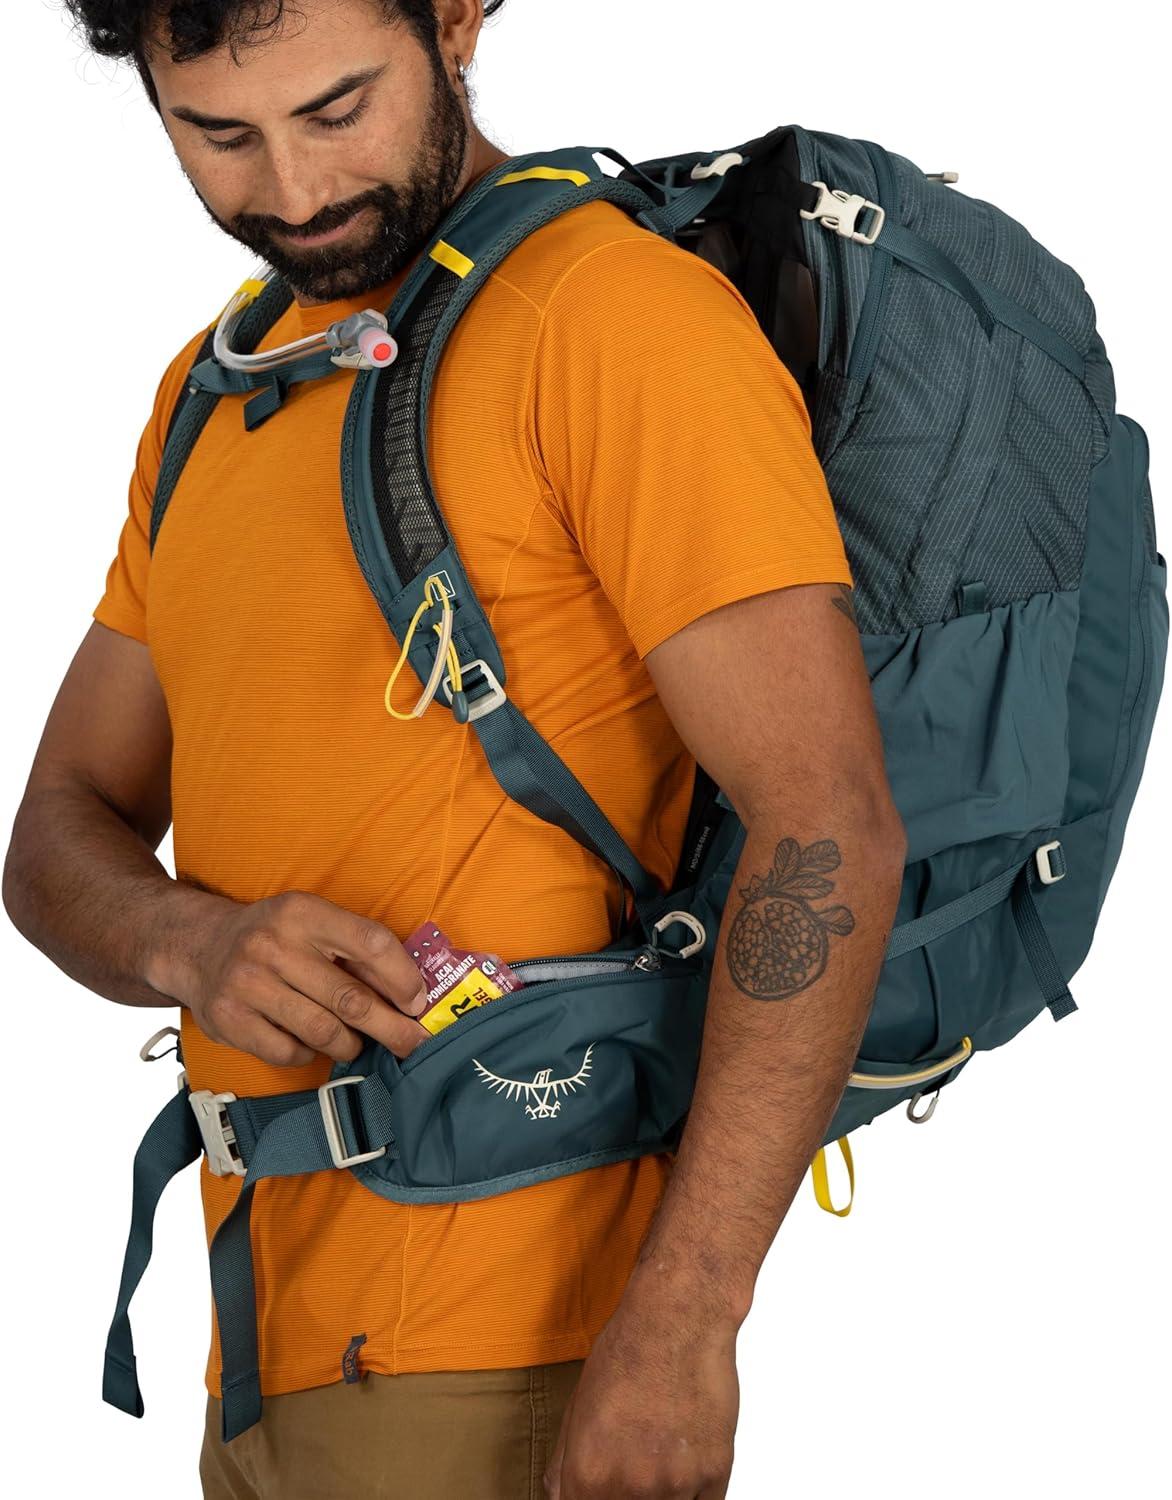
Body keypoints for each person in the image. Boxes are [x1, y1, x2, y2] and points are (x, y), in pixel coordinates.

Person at [4, 1, 905, 1495]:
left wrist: (687, 1325)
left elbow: (829, 823)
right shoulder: (213, 390)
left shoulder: (611, 318)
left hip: (518, 1350)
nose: (294, 190)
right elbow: (57, 824)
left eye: (337, 108)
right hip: (261, 1342)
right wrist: (184, 941)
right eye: (219, 135)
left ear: (456, 15)